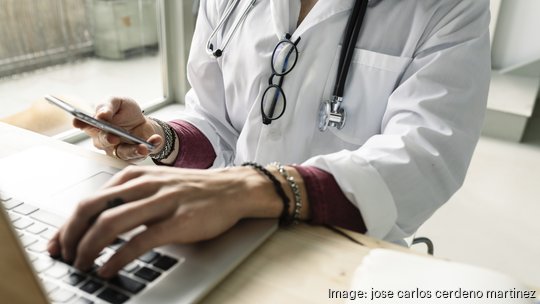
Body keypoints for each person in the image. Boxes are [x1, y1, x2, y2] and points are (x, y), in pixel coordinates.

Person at [48, 0, 491, 279]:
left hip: (337, 248)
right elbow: (215, 120)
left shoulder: (449, 7)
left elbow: (427, 155)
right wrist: (157, 137)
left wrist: (263, 187)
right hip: (226, 227)